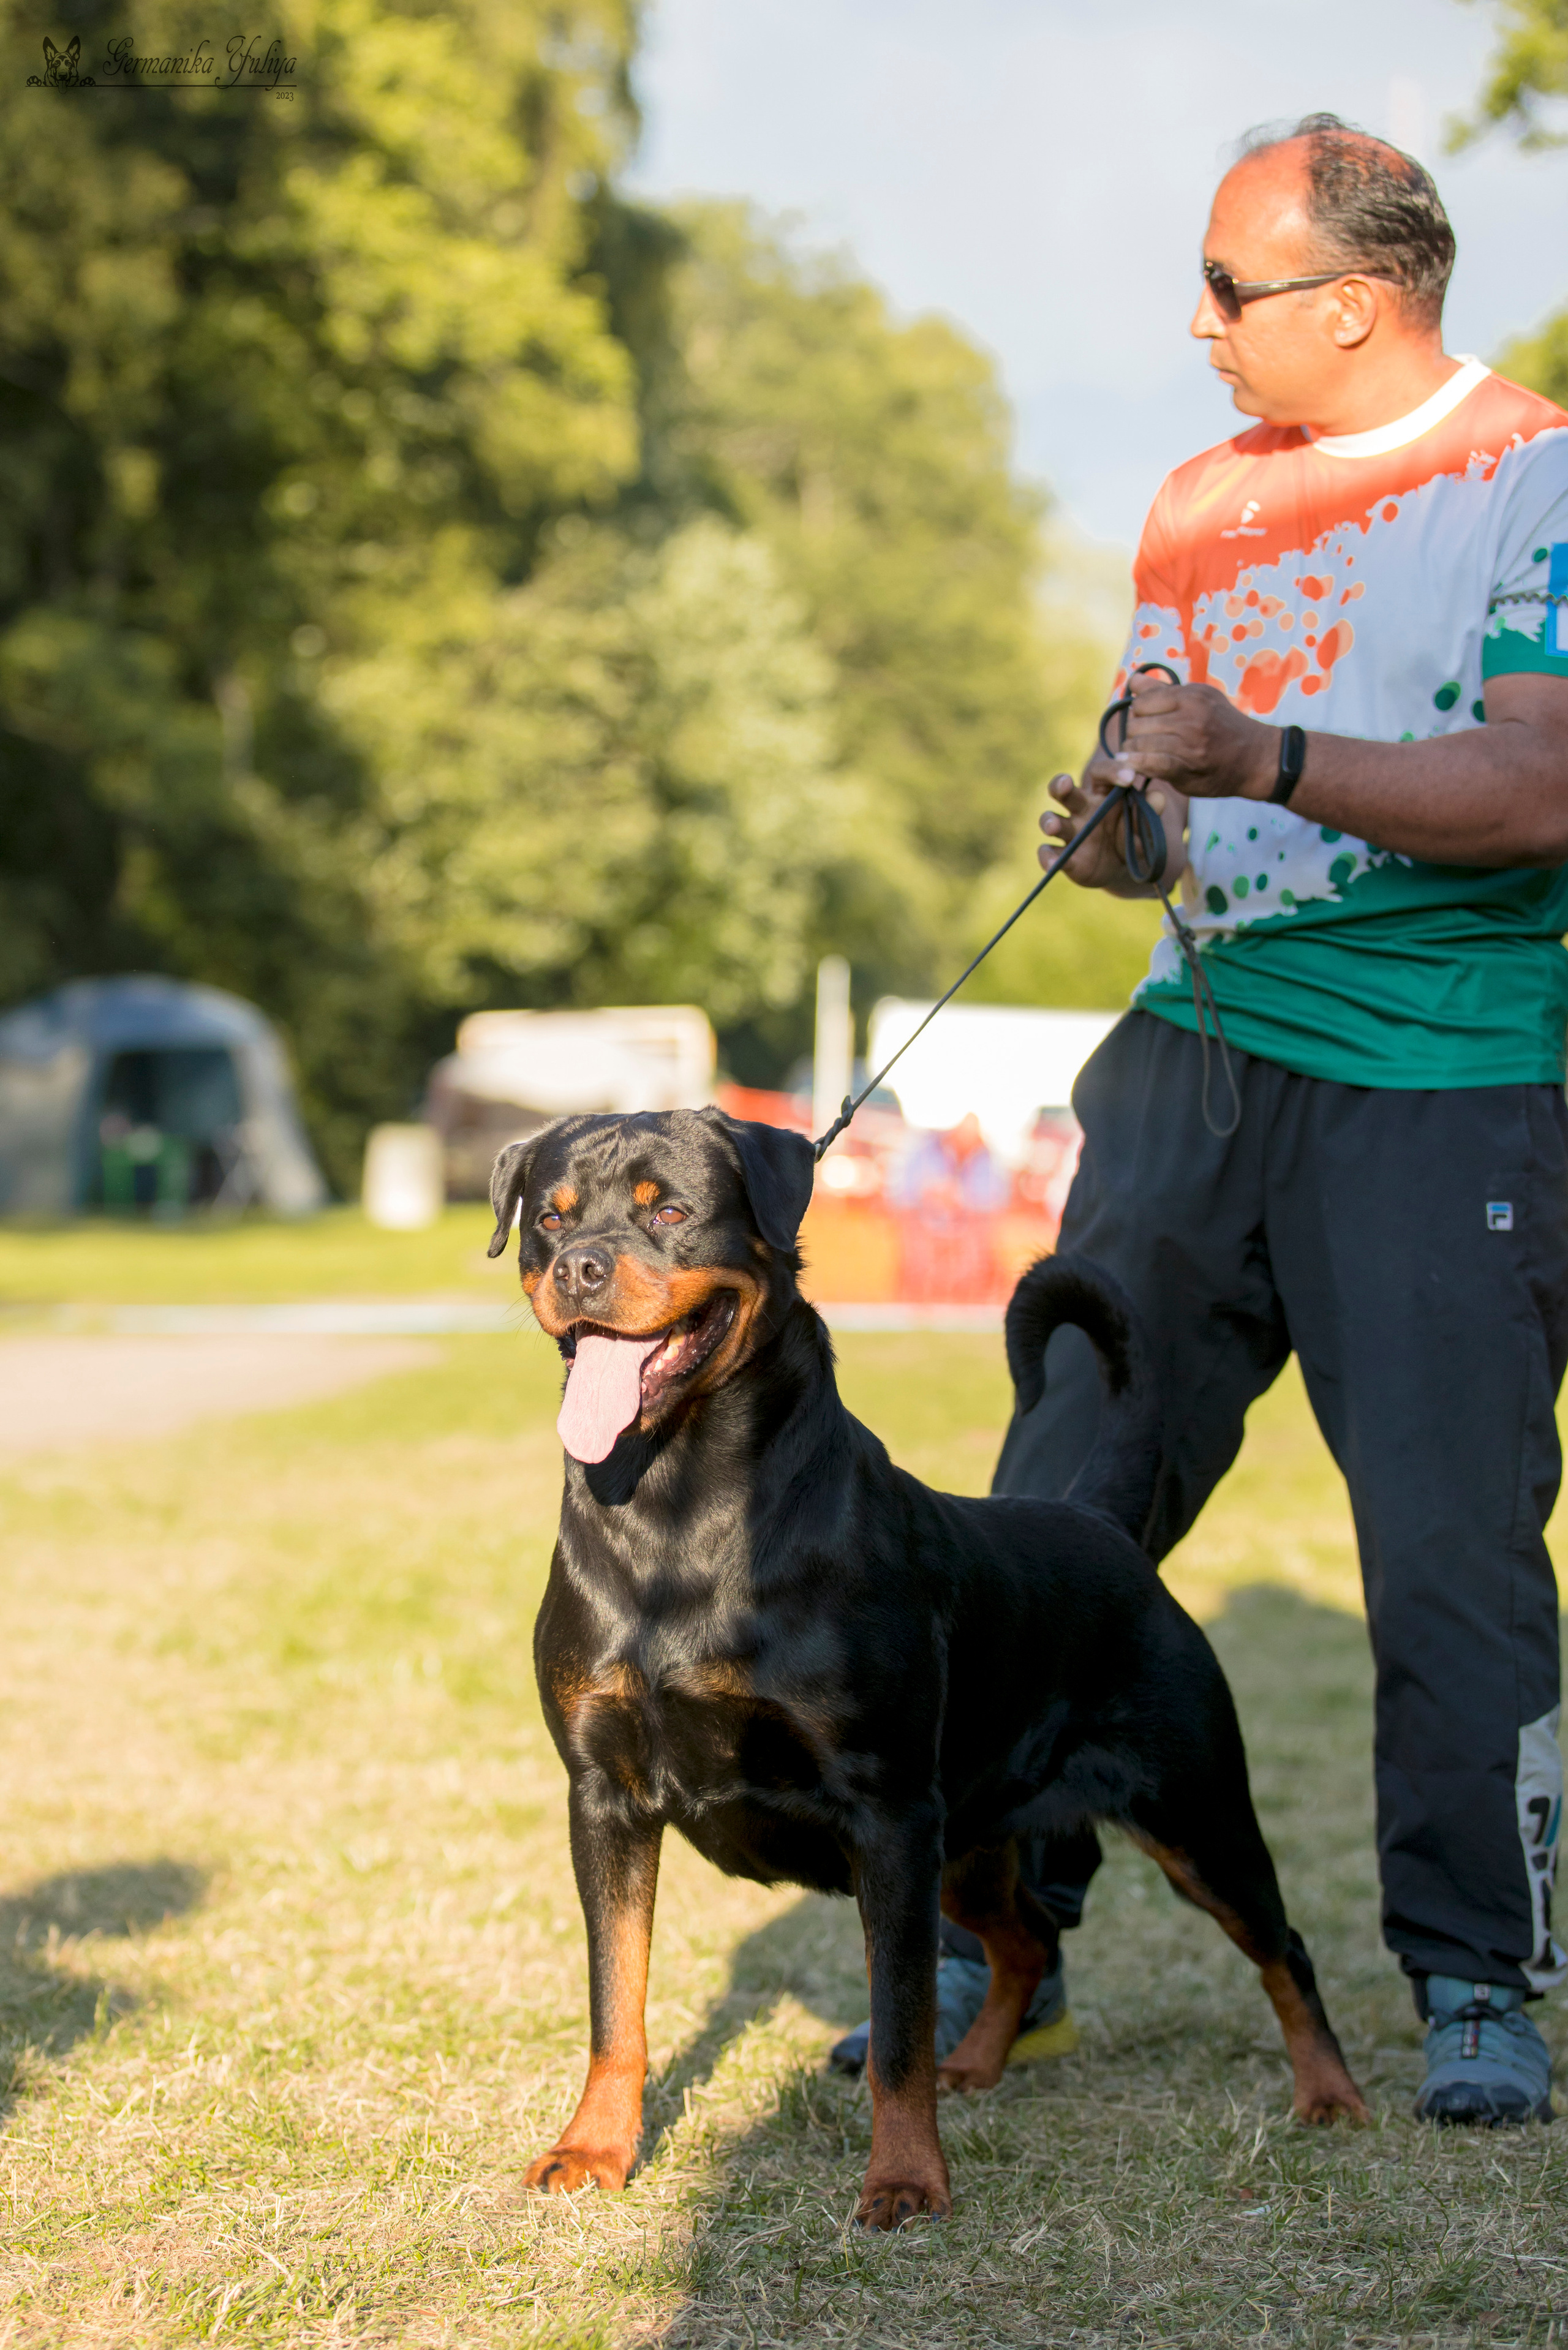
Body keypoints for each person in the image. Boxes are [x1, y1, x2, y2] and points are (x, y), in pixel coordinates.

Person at [835, 114, 1568, 2123]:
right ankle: (1010, 1948)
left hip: (1445, 1078)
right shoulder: (1191, 501)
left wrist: (1263, 751)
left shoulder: (1538, 480)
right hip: (1195, 1049)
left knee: (1447, 1549)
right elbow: (1168, 799)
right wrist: (1123, 830)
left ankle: (1475, 1983)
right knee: (1059, 1497)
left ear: (1355, 300)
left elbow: (1541, 796)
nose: (1197, 323)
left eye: (1231, 291)